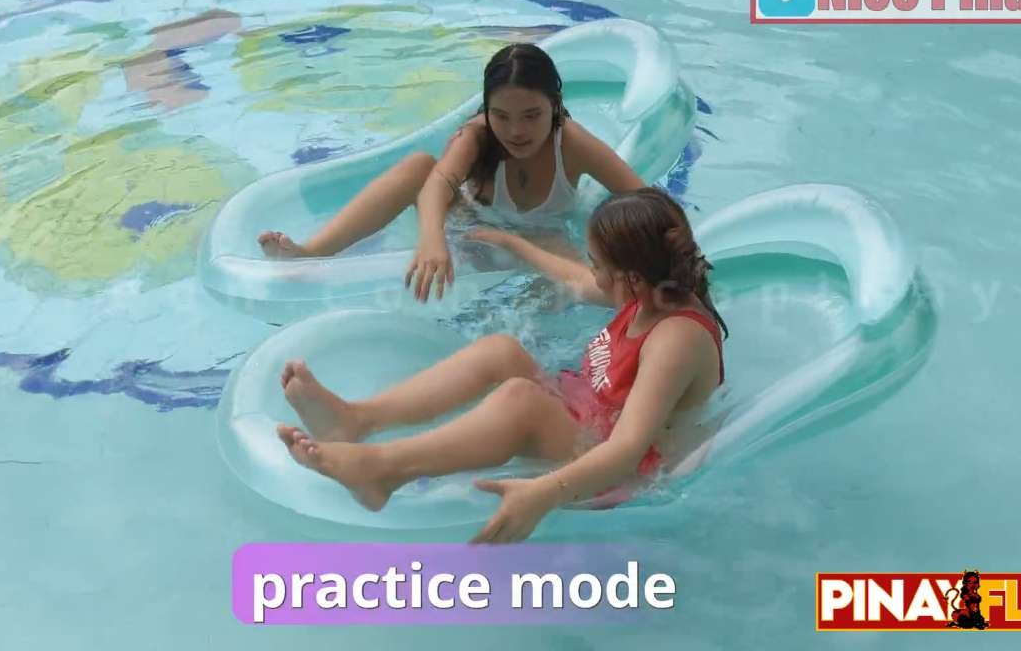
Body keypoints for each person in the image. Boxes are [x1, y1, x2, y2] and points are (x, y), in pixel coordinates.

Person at [275, 187, 729, 543]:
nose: (591, 273)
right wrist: (515, 244)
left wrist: (543, 493)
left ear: (630, 276)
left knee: (522, 399)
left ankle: (384, 470)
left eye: (597, 265)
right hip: (590, 419)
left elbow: (628, 448)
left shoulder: (675, 338)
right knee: (502, 350)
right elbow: (573, 279)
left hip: (624, 472)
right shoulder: (650, 288)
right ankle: (356, 419)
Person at [256, 42, 646, 302]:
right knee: (419, 166)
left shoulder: (571, 143)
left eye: (531, 116)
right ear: (487, 110)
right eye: (501, 116)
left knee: (593, 285)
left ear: (555, 106)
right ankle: (312, 253)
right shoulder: (476, 135)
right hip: (470, 228)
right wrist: (432, 240)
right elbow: (435, 186)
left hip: (540, 242)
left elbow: (645, 200)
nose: (516, 131)